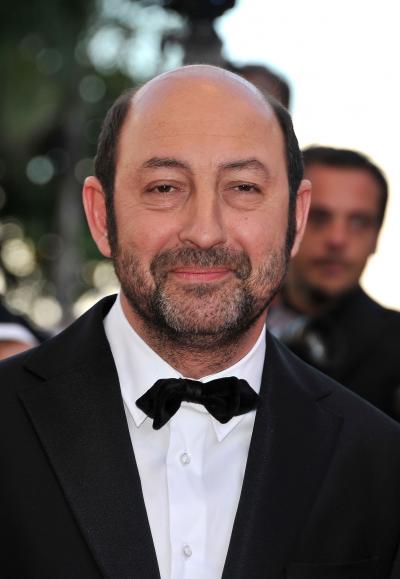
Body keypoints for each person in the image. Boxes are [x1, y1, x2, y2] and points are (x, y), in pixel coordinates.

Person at [1, 66, 400, 579]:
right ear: (102, 217)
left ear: (295, 219)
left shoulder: (379, 459)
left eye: (243, 187)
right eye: (165, 187)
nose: (205, 231)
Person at [268, 146, 400, 419]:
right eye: (318, 217)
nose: (337, 239)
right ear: (284, 222)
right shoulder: (228, 326)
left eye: (358, 222)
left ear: (376, 237)